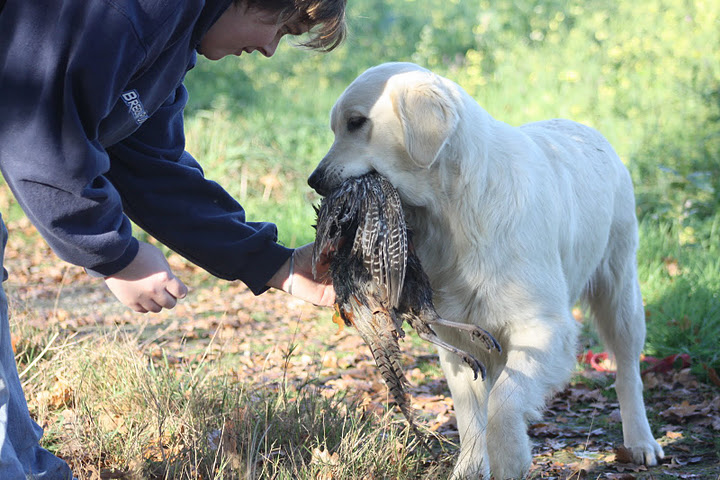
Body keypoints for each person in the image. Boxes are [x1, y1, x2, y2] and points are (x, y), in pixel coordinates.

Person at [0, 0, 346, 477]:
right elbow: (43, 133)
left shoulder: (172, 38)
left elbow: (151, 170)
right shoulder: (133, 12)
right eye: (280, 27)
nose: (269, 50)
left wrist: (278, 266)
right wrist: (114, 254)